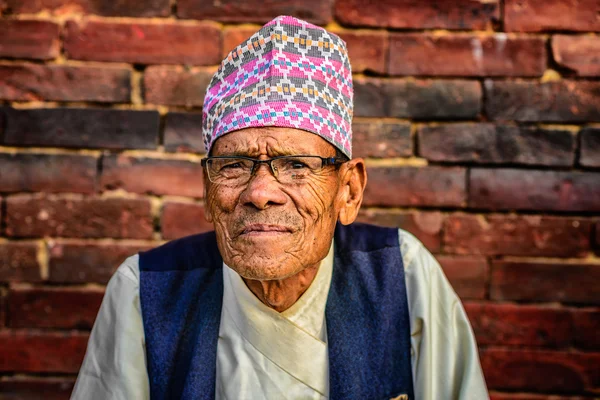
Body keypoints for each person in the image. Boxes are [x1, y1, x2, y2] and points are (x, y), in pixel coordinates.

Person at [71, 15, 488, 400]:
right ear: (207, 190)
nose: (260, 192)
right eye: (234, 165)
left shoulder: (405, 275)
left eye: (296, 165)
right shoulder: (143, 291)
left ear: (349, 191)